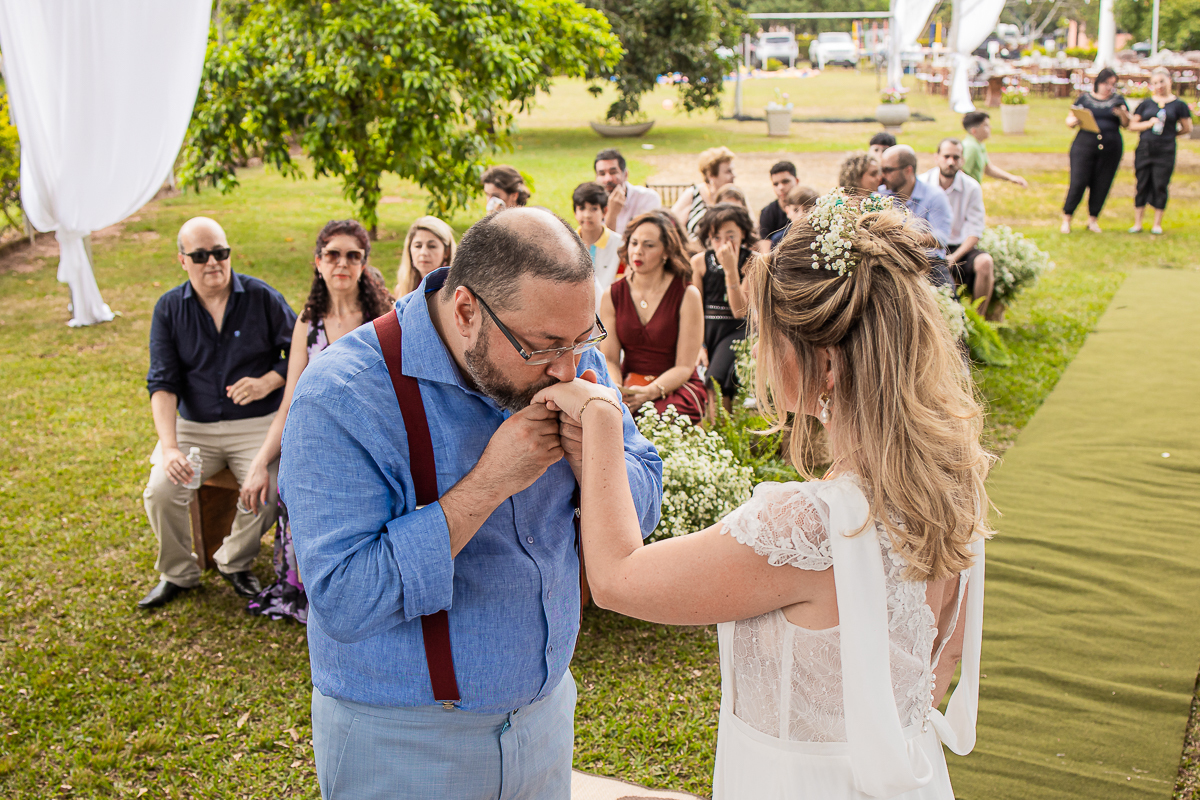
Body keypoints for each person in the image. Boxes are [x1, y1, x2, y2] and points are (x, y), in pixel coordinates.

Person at [533, 192, 992, 800]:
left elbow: (617, 578)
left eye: (767, 334)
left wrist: (601, 420)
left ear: (825, 364)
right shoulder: (953, 482)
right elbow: (939, 665)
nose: (758, 352)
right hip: (911, 776)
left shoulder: (807, 527)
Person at [279, 207, 663, 799]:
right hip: (403, 744)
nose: (569, 367)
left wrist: (598, 461)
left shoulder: (567, 349)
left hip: (546, 717)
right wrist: (487, 485)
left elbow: (642, 511)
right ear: (465, 311)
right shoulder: (342, 396)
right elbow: (344, 600)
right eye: (543, 348)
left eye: (584, 338)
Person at [139, 217, 297, 609]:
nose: (212, 262)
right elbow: (162, 382)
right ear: (182, 260)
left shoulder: (262, 297)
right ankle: (178, 572)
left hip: (257, 425)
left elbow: (302, 350)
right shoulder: (169, 308)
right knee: (160, 491)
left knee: (273, 487)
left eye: (220, 252)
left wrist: (269, 381)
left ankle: (233, 561)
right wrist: (169, 447)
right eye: (200, 255)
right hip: (194, 428)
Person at [241, 220, 394, 623]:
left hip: (372, 441)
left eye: (352, 255)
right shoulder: (307, 324)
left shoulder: (383, 319)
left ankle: (364, 588)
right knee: (295, 483)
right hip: (317, 439)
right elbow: (290, 402)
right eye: (333, 254)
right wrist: (261, 461)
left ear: (364, 264)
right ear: (318, 262)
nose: (342, 263)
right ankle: (312, 588)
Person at [600, 212, 707, 423]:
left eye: (649, 245)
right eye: (634, 243)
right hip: (629, 385)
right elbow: (610, 359)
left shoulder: (687, 294)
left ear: (666, 251)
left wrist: (650, 392)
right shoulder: (612, 294)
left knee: (660, 417)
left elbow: (685, 366)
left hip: (676, 386)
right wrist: (617, 390)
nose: (638, 251)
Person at [690, 203, 758, 410]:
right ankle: (719, 427)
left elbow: (739, 311)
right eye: (716, 238)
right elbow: (694, 308)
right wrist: (699, 344)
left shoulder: (752, 261)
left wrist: (731, 270)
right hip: (707, 329)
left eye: (730, 237)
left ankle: (721, 427)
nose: (723, 244)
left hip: (736, 330)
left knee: (716, 379)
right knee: (712, 381)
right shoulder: (700, 262)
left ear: (742, 234)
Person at [919, 139, 996, 317]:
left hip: (960, 248)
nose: (951, 162)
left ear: (962, 160)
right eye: (946, 156)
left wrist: (954, 257)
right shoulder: (923, 183)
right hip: (930, 246)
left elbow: (975, 230)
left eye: (956, 157)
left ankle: (978, 319)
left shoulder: (971, 187)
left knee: (985, 262)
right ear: (937, 158)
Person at [1061, 69, 1130, 234]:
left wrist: (1122, 114)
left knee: (1102, 183)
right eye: (1106, 83)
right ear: (1098, 82)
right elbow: (1069, 119)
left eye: (1112, 84)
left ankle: (1093, 219)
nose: (1109, 87)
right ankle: (1067, 218)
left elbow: (1127, 123)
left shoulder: (1118, 100)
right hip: (1084, 146)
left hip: (1110, 148)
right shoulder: (1084, 99)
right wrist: (1075, 121)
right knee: (1078, 182)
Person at [1129, 67, 1193, 235]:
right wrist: (1148, 124)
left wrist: (1172, 134)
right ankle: (1138, 223)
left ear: (1169, 81)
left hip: (1165, 150)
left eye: (1162, 81)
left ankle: (1157, 224)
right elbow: (1132, 125)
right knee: (1142, 183)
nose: (1159, 86)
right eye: (1155, 83)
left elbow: (1187, 127)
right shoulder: (1146, 104)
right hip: (1145, 149)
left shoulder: (1179, 105)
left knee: (1160, 184)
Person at [880, 145, 954, 287]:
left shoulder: (934, 195)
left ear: (908, 170)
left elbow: (941, 237)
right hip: (891, 261)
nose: (882, 175)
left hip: (928, 262)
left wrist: (905, 237)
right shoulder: (880, 195)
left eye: (887, 170)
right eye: (881, 170)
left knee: (948, 298)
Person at [573, 181, 623, 306]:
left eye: (594, 209)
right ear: (575, 212)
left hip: (610, 307)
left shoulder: (619, 245)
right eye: (581, 208)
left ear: (604, 211)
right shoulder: (567, 242)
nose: (587, 215)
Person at [593, 147, 662, 236]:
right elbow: (600, 242)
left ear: (625, 174)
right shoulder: (592, 203)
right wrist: (612, 214)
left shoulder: (648, 198)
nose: (608, 179)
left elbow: (648, 236)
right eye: (602, 174)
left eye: (613, 172)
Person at [671, 146, 737, 238]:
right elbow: (671, 225)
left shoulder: (735, 196)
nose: (734, 175)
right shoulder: (693, 194)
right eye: (728, 171)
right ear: (711, 175)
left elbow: (751, 228)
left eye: (732, 170)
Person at [961, 111, 1028, 188]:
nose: (990, 128)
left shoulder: (978, 144)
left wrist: (1012, 178)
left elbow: (988, 169)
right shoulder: (971, 147)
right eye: (986, 125)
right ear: (974, 131)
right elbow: (961, 172)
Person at [395, 216, 457, 297]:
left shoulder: (456, 291)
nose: (423, 252)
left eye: (432, 246)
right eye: (418, 246)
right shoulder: (402, 290)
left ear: (447, 252)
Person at [768, 185, 820, 249]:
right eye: (795, 210)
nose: (801, 215)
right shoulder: (778, 239)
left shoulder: (820, 237)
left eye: (806, 210)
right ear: (787, 211)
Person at [759, 161, 798, 240]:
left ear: (797, 181)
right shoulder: (767, 213)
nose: (780, 187)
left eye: (785, 182)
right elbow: (765, 246)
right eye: (776, 184)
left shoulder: (811, 206)